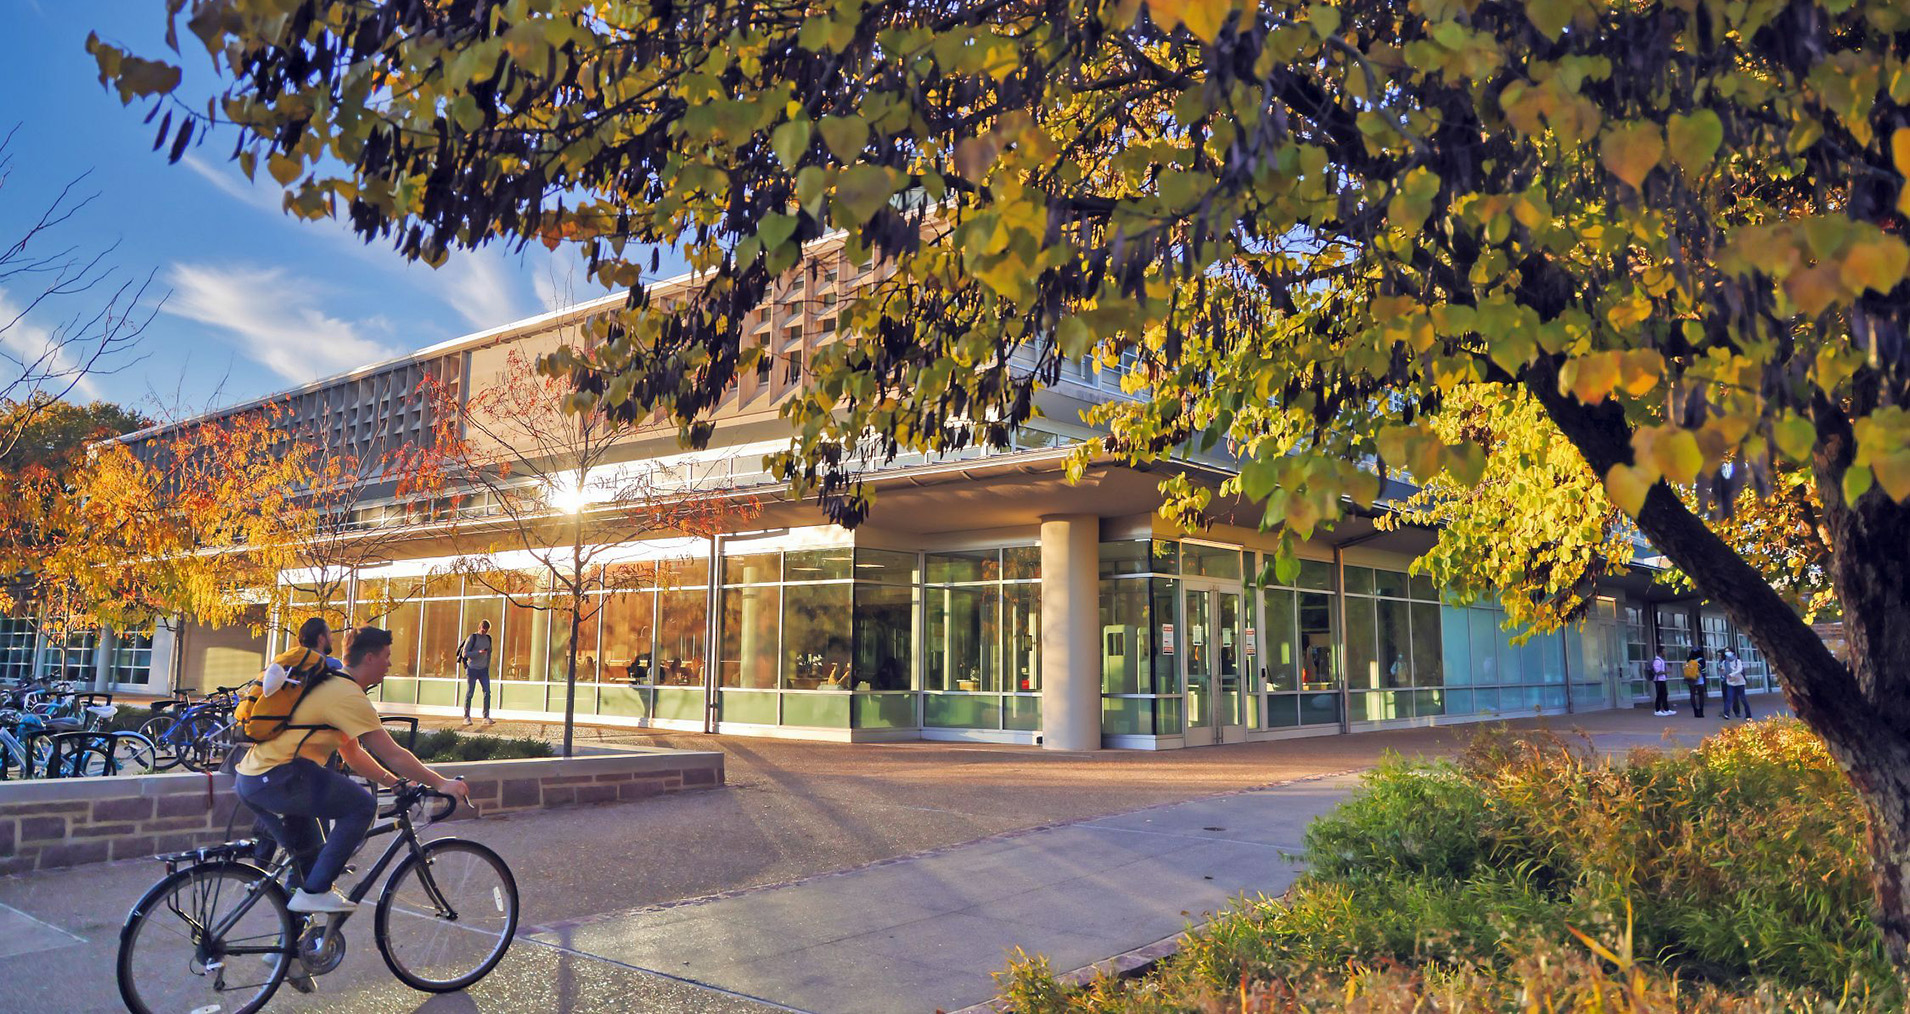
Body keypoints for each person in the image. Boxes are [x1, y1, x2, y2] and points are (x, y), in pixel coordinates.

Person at [235, 626, 471, 914]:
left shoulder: (334, 686)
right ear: (369, 658)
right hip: (282, 775)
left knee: (308, 864)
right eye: (386, 657)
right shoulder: (346, 694)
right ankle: (317, 892)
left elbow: (353, 754)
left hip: (255, 777)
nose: (389, 664)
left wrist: (395, 784)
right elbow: (392, 753)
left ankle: (290, 949)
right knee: (361, 807)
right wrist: (441, 783)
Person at [456, 619, 494, 726]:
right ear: (479, 627)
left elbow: (489, 652)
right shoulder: (472, 638)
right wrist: (478, 652)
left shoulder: (488, 639)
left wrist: (487, 665)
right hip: (472, 668)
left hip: (483, 670)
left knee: (487, 692)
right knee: (470, 692)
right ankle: (466, 716)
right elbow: (465, 653)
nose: (484, 632)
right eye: (483, 630)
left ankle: (486, 716)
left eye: (486, 630)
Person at [1721, 648, 1750, 719]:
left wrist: (1732, 674)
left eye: (1729, 651)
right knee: (1729, 698)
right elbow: (1723, 671)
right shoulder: (1724, 662)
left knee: (1743, 699)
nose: (1727, 653)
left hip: (1739, 683)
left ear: (1733, 652)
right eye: (1726, 651)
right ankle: (1726, 714)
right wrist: (1724, 674)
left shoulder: (1738, 661)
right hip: (1730, 683)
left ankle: (1748, 715)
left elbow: (1740, 670)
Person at [1683, 649, 1707, 718]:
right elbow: (1703, 670)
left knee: (1692, 694)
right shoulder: (1701, 660)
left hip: (1690, 679)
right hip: (1699, 679)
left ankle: (1695, 711)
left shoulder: (1689, 660)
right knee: (1701, 696)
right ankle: (1701, 712)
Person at [1651, 651, 1671, 715]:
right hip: (1658, 680)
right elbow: (1658, 672)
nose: (1665, 653)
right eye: (1663, 651)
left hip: (1662, 679)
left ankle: (1666, 709)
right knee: (1659, 695)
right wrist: (1666, 672)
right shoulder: (1657, 661)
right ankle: (1657, 710)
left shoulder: (1661, 660)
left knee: (1665, 694)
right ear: (1660, 652)